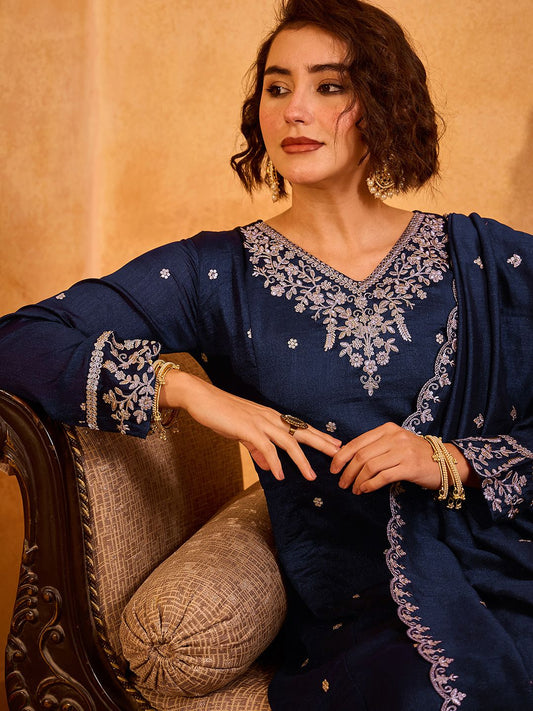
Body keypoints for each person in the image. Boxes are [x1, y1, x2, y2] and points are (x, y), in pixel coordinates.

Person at [1, 0, 532, 708]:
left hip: (510, 558)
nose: (294, 110)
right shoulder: (215, 274)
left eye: (328, 86)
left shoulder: (485, 258)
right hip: (367, 601)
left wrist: (449, 458)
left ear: (383, 103)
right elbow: (20, 339)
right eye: (277, 87)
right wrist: (187, 390)